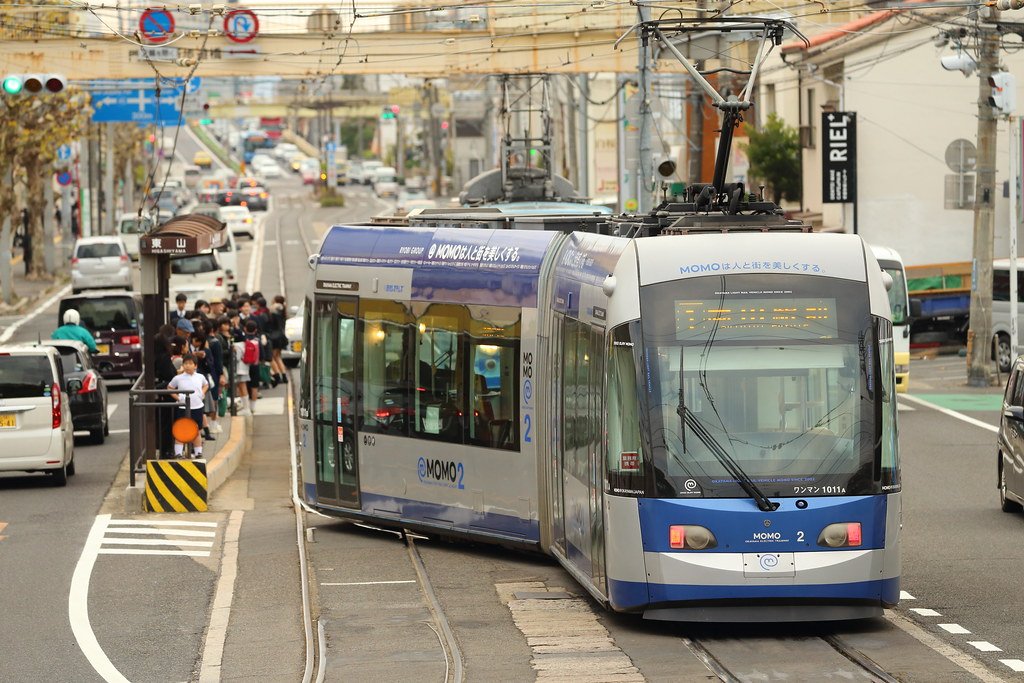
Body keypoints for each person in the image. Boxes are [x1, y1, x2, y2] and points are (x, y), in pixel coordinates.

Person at [167, 353, 209, 459]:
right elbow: (170, 388)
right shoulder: (178, 378)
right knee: (181, 429)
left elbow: (206, 384)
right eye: (185, 363)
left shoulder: (200, 377)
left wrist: (202, 393)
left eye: (190, 363)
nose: (187, 366)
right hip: (183, 407)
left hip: (197, 407)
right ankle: (178, 453)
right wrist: (178, 398)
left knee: (197, 430)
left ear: (195, 366)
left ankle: (198, 452)